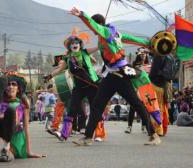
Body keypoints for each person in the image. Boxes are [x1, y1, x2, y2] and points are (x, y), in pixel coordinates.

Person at [70, 7, 161, 146]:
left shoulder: (106, 32)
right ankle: (88, 137)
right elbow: (130, 38)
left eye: (94, 27)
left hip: (120, 75)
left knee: (136, 103)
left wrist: (82, 15)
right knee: (97, 105)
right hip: (110, 77)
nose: (93, 31)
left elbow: (95, 26)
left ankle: (153, 134)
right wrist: (146, 43)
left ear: (98, 25)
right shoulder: (113, 33)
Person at [44, 28, 105, 142]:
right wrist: (49, 76)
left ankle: (99, 134)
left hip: (91, 85)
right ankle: (64, 134)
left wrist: (102, 37)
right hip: (78, 88)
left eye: (76, 43)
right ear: (69, 46)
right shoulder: (67, 58)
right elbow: (59, 69)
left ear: (80, 44)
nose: (75, 45)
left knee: (95, 109)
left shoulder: (85, 52)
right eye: (72, 43)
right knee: (71, 110)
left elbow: (98, 47)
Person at [0, 72, 45, 162]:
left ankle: (6, 149)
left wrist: (29, 151)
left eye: (14, 84)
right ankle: (5, 149)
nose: (11, 87)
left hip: (14, 132)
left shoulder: (23, 104)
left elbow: (26, 127)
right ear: (4, 88)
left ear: (18, 89)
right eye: (8, 84)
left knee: (11, 110)